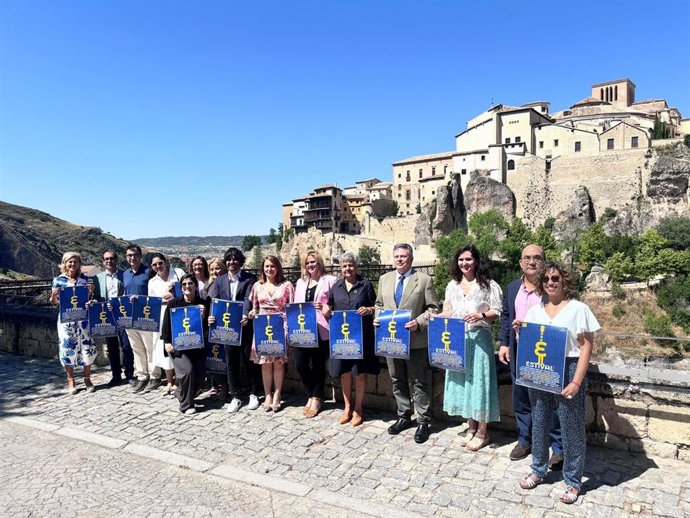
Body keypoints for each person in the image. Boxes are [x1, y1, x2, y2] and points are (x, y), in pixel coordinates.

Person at [518, 262, 600, 505]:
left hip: (569, 368)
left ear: (564, 281)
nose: (550, 283)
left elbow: (586, 347)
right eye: (546, 280)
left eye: (555, 278)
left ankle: (573, 481)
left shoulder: (578, 309)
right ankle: (538, 469)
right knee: (540, 420)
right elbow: (532, 342)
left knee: (571, 426)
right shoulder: (535, 310)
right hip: (540, 369)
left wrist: (576, 381)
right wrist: (520, 330)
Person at [499, 245, 563, 466]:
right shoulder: (513, 287)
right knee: (521, 398)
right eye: (527, 258)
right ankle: (525, 441)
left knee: (551, 400)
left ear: (544, 262)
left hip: (546, 353)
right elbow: (507, 317)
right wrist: (505, 344)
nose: (532, 262)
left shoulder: (551, 287)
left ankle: (558, 448)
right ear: (520, 262)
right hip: (519, 350)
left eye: (537, 258)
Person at [439, 244, 502, 452]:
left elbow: (498, 310)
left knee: (480, 383)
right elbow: (447, 311)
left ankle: (483, 431)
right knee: (464, 382)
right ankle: (471, 426)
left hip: (479, 338)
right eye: (461, 260)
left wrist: (480, 315)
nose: (464, 263)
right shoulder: (452, 285)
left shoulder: (488, 285)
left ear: (476, 261)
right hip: (458, 339)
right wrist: (434, 317)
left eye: (468, 259)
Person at [374, 243, 440, 444]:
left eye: (403, 256)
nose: (400, 259)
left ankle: (423, 421)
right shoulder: (384, 279)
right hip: (391, 340)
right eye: (397, 256)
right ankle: (403, 415)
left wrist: (419, 322)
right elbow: (379, 305)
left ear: (411, 259)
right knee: (397, 379)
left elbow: (434, 308)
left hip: (415, 341)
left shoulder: (424, 280)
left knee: (419, 381)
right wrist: (377, 317)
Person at [324, 252, 379, 427]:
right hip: (342, 337)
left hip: (360, 337)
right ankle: (347, 408)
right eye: (344, 266)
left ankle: (358, 408)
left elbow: (377, 306)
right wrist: (326, 309)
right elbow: (330, 305)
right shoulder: (336, 286)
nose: (348, 268)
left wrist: (369, 310)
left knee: (360, 374)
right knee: (345, 373)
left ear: (356, 266)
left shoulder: (365, 285)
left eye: (351, 265)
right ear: (341, 269)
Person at [207, 247, 261, 413]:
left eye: (235, 259)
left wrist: (245, 315)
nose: (232, 262)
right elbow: (215, 301)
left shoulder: (249, 279)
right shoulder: (220, 281)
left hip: (244, 325)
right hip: (226, 328)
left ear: (240, 262)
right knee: (231, 362)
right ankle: (236, 395)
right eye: (229, 259)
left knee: (248, 360)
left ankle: (254, 393)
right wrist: (211, 316)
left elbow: (248, 299)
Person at [248, 255, 294, 413]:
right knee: (265, 363)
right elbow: (254, 307)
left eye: (272, 266)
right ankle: (267, 395)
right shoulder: (257, 286)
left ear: (278, 268)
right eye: (266, 266)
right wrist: (252, 313)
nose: (269, 269)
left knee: (278, 363)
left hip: (281, 326)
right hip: (262, 327)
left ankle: (277, 394)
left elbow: (291, 308)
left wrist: (288, 329)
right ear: (263, 268)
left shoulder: (287, 285)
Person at [293, 251, 336, 418]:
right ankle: (310, 393)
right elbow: (296, 305)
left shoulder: (330, 280)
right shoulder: (301, 282)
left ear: (319, 263)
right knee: (300, 363)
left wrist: (328, 309)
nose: (311, 265)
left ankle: (316, 397)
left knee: (318, 365)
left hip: (321, 328)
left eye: (313, 262)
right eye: (308, 263)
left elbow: (336, 302)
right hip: (302, 328)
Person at [161, 274, 210, 414]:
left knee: (200, 376)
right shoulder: (173, 304)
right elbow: (166, 326)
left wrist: (204, 314)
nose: (187, 287)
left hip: (196, 347)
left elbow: (207, 328)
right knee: (187, 371)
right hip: (177, 347)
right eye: (184, 284)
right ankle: (186, 406)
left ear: (195, 286)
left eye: (190, 284)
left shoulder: (203, 304)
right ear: (181, 287)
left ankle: (180, 393)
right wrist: (166, 342)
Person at [50, 252, 97, 394]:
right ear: (64, 263)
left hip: (84, 319)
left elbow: (87, 300)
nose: (73, 264)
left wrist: (91, 295)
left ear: (79, 264)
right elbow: (54, 303)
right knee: (67, 349)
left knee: (87, 347)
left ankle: (87, 378)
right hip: (67, 322)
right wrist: (53, 295)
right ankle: (70, 379)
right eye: (70, 262)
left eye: (75, 262)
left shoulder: (85, 279)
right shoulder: (58, 280)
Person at [92, 250, 135, 386]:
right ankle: (116, 375)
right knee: (111, 347)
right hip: (106, 316)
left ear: (116, 260)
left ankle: (129, 374)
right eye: (106, 259)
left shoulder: (125, 275)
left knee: (127, 346)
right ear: (103, 261)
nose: (109, 261)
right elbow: (96, 297)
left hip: (123, 314)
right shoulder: (97, 278)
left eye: (111, 258)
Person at [123, 245, 160, 394]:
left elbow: (155, 291)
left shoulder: (148, 272)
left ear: (140, 256)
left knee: (150, 347)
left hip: (146, 316)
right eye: (129, 255)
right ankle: (142, 375)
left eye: (135, 255)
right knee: (137, 348)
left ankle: (155, 375)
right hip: (130, 317)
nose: (132, 258)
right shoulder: (125, 274)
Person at [149, 253, 186, 395]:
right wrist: (162, 300)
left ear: (165, 262)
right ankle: (169, 380)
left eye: (160, 263)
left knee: (178, 346)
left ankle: (178, 380)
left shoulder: (178, 274)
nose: (158, 266)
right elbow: (151, 303)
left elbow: (188, 290)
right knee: (163, 347)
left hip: (177, 315)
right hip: (162, 316)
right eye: (154, 264)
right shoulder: (152, 282)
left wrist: (175, 295)